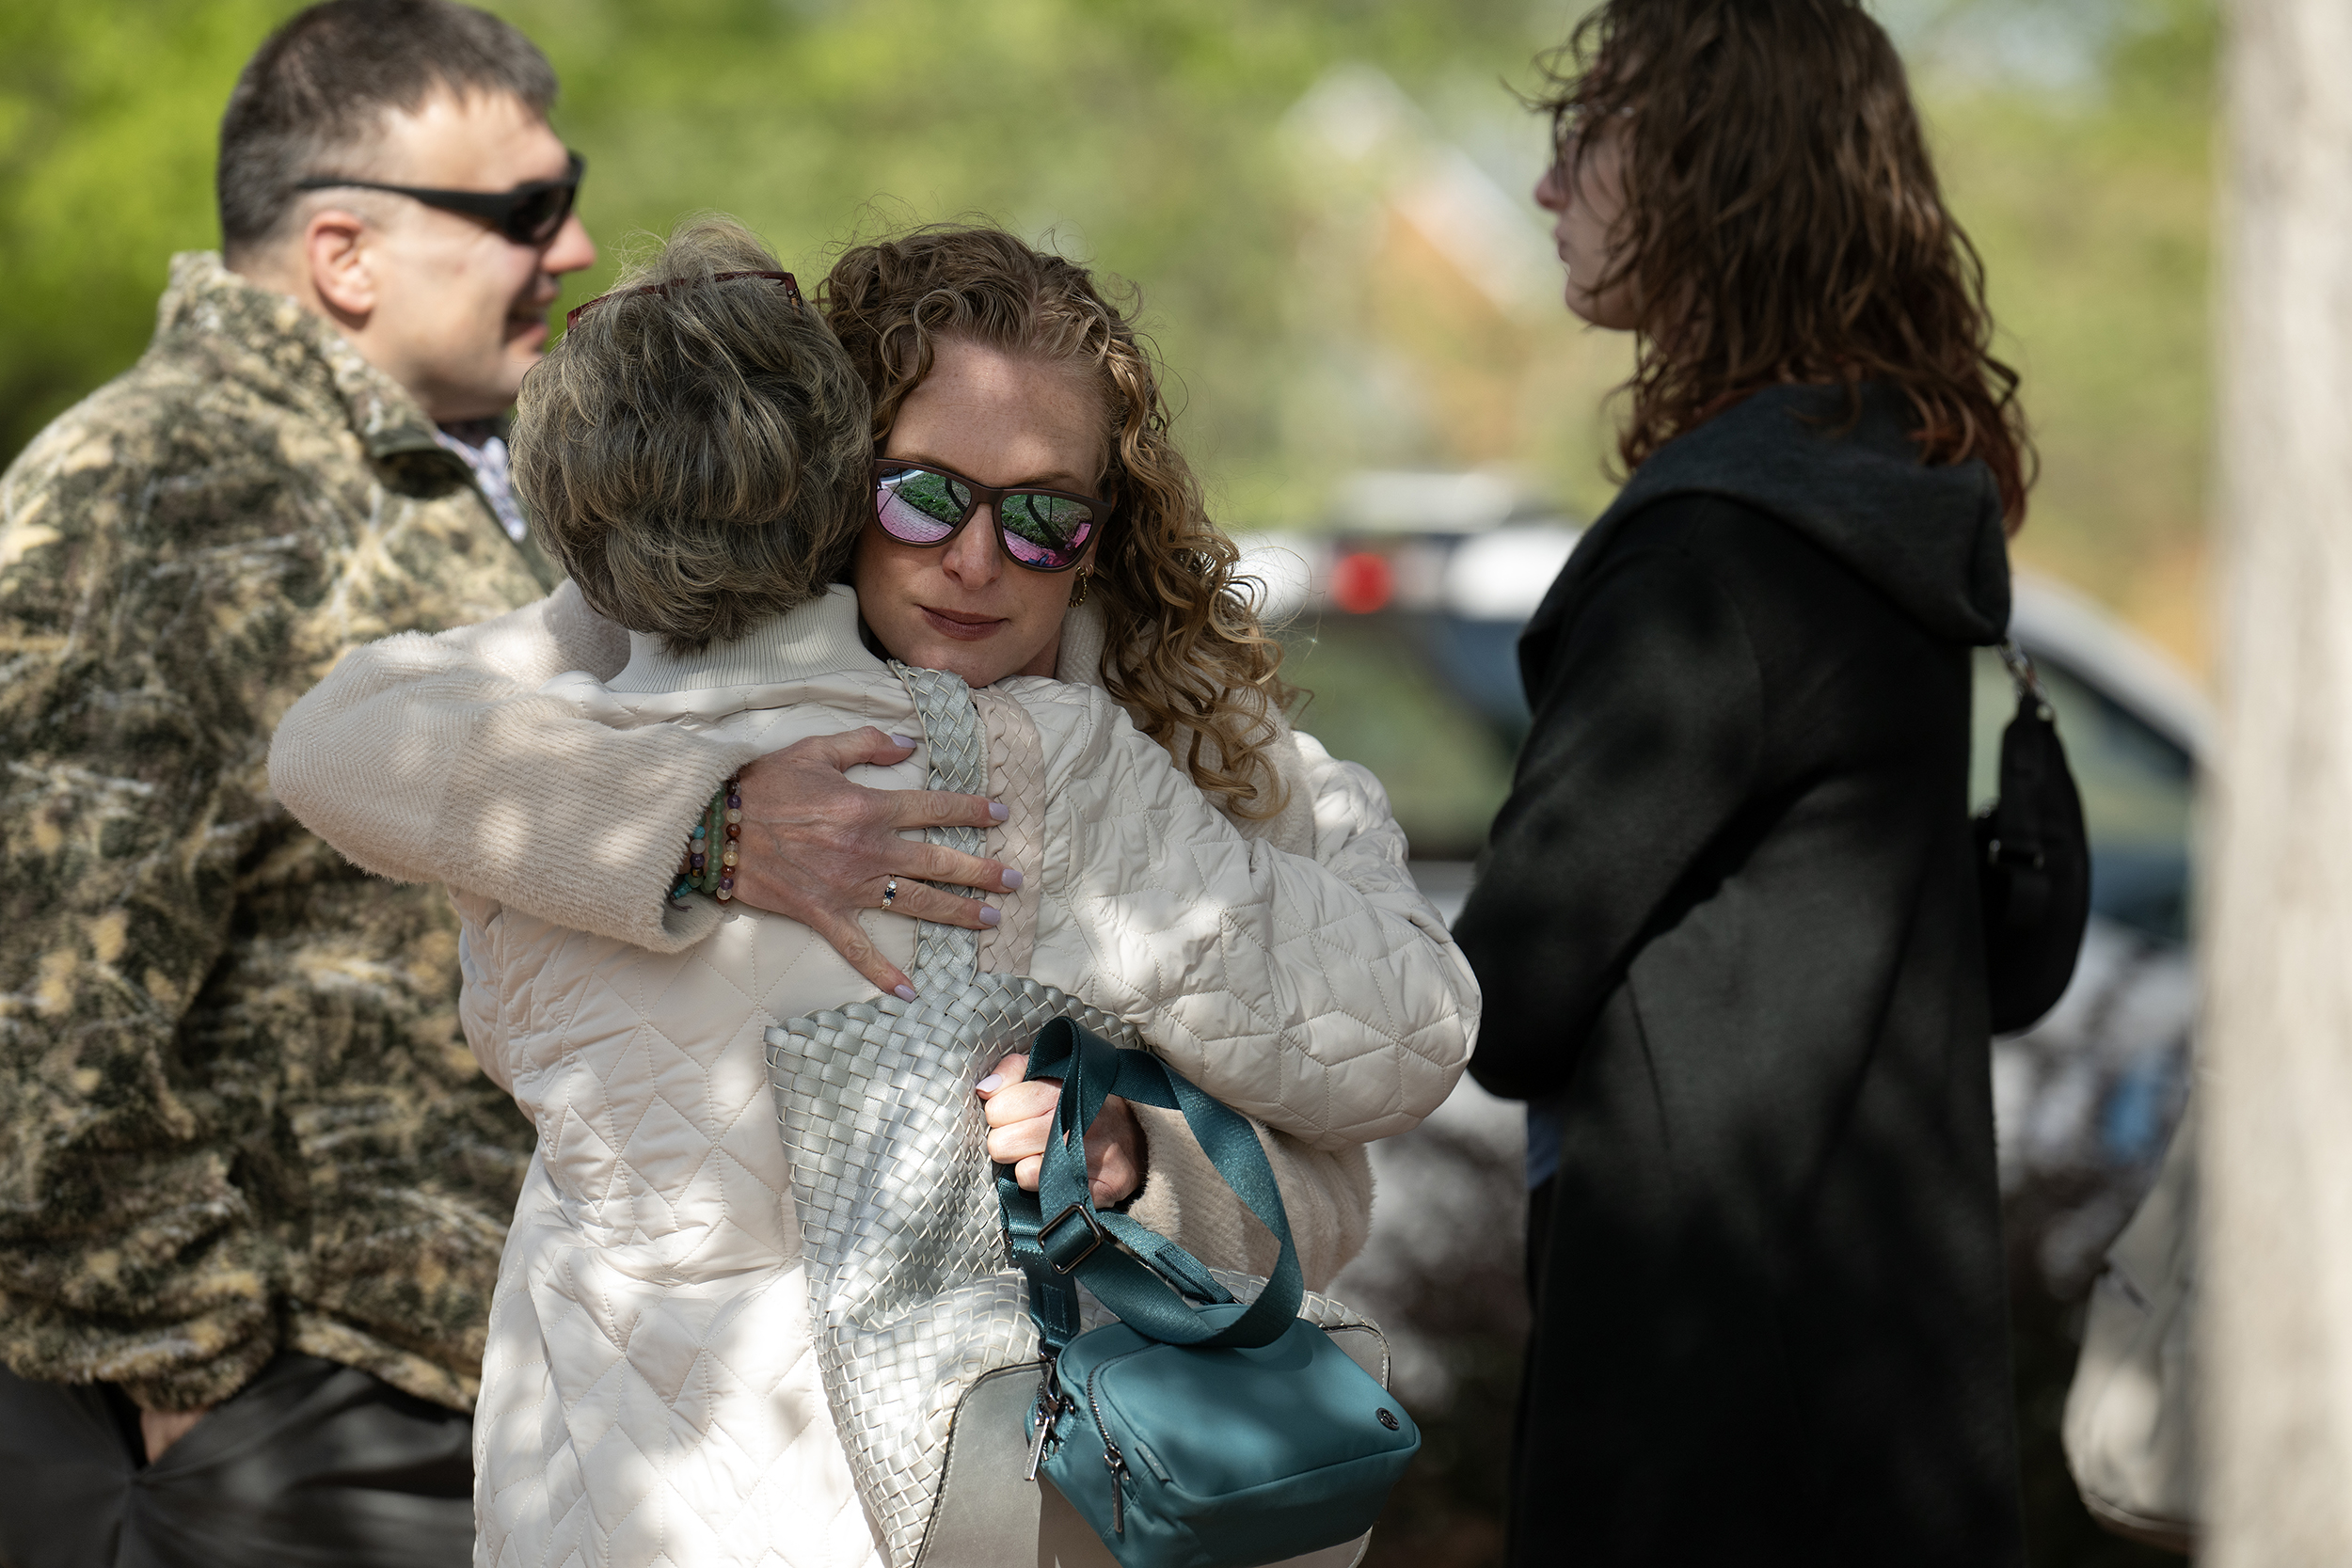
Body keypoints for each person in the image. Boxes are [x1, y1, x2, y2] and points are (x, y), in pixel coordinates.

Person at [270, 216, 1474, 1566]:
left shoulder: (1177, 744)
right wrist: (709, 827)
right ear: (835, 477)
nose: (976, 559)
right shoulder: (661, 643)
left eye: (1044, 517)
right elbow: (337, 742)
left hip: (1031, 1507)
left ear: (1100, 535)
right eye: (922, 496)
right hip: (649, 1494)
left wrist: (1143, 1162)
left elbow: (1388, 1080)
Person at [0, 2, 595, 1561]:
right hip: (283, 1434)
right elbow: (34, 991)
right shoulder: (164, 480)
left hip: (490, 1394)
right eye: (527, 209)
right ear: (346, 255)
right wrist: (199, 1376)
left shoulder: (465, 473)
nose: (577, 244)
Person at [1450, 2, 2033, 1564]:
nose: (1546, 186)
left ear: (1711, 173)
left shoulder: (1718, 559)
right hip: (1884, 1374)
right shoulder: (1886, 498)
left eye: (1587, 139)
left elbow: (1504, 996)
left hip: (1707, 1409)